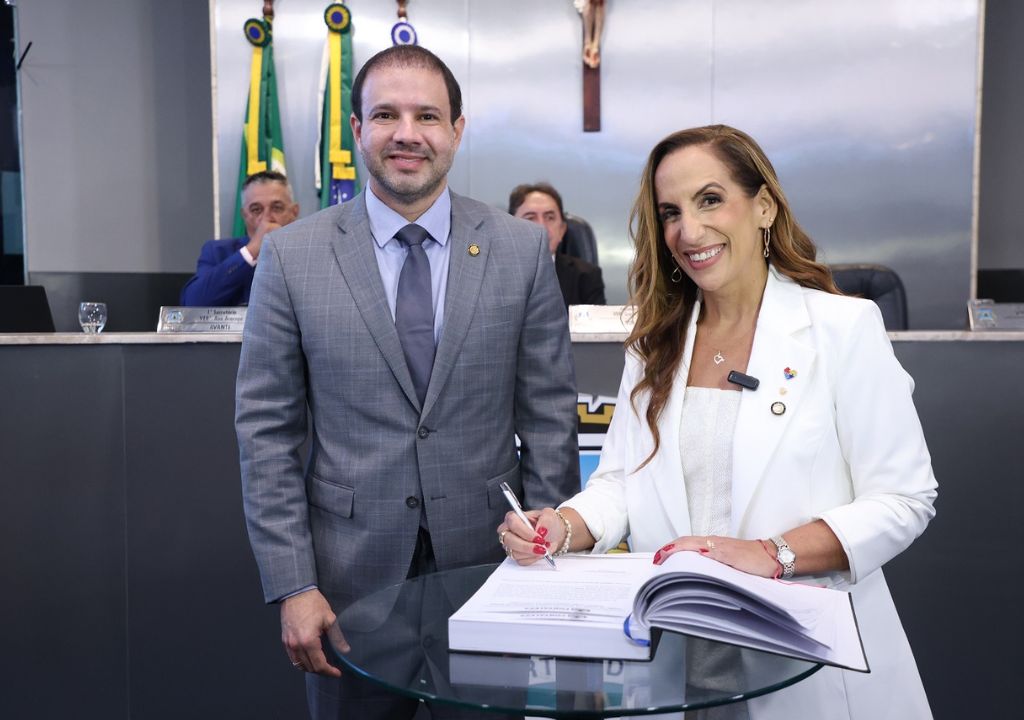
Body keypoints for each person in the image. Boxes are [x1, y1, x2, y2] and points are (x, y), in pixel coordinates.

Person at [499, 125, 938, 719]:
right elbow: (621, 483)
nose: (689, 230)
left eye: (710, 199)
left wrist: (770, 552)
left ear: (763, 205)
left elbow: (904, 498)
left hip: (804, 661)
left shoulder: (843, 328)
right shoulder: (654, 346)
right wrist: (563, 525)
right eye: (670, 212)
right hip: (676, 658)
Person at [235, 44, 579, 719]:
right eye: (385, 114)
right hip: (347, 589)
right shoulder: (292, 256)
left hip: (493, 572)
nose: (407, 134)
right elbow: (266, 432)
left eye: (427, 115)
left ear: (456, 127)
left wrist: (549, 547)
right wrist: (293, 583)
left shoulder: (518, 250)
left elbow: (548, 415)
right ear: (358, 130)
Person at [179, 170, 299, 306]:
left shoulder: (311, 254)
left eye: (276, 208)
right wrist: (252, 251)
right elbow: (193, 303)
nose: (267, 218)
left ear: (294, 212)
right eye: (256, 210)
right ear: (244, 215)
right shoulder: (218, 252)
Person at [509, 182, 606, 307]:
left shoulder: (587, 277)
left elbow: (594, 326)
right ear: (509, 229)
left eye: (550, 218)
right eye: (530, 218)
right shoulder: (492, 274)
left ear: (562, 230)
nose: (541, 227)